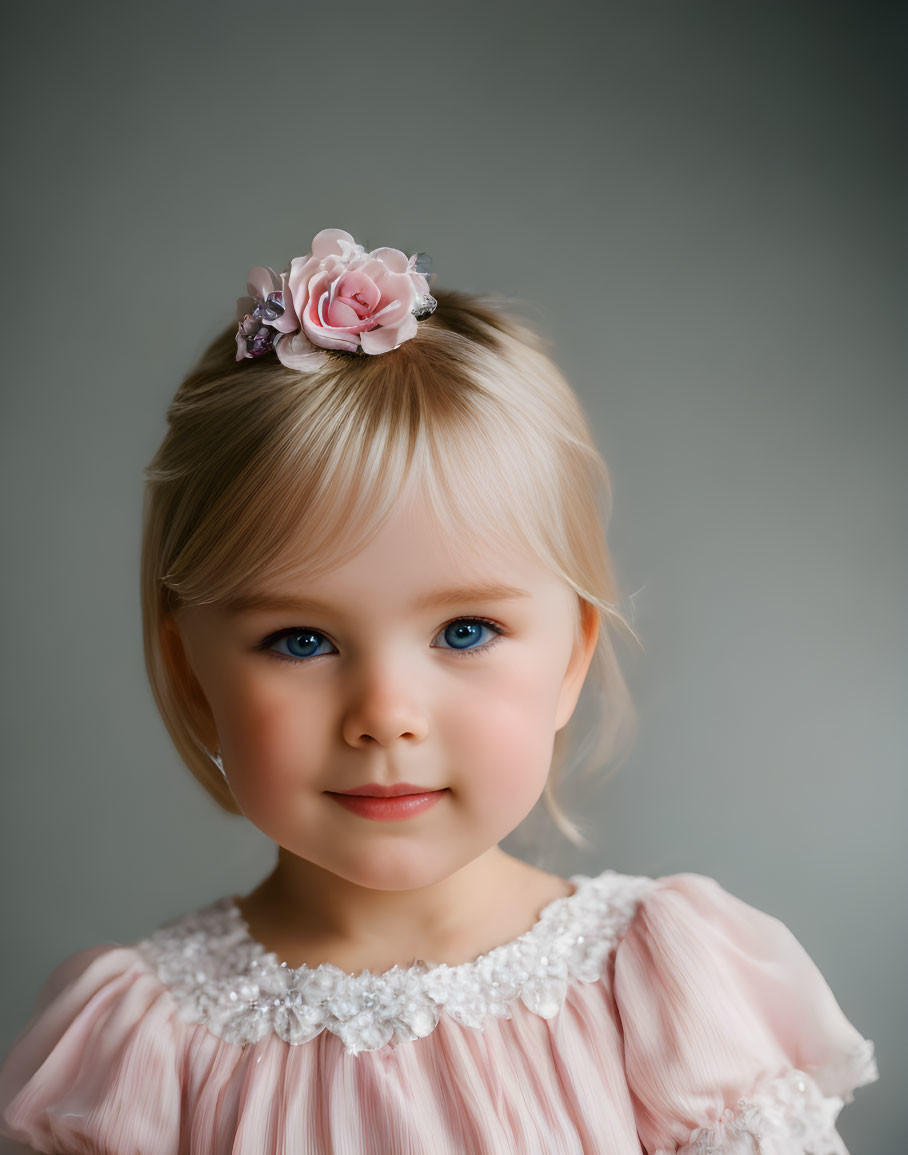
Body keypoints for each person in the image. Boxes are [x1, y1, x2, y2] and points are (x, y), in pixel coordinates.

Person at [0, 228, 879, 1154]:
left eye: (465, 632)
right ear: (193, 673)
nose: (385, 714)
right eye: (301, 639)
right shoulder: (138, 1049)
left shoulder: (660, 992)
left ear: (570, 661)